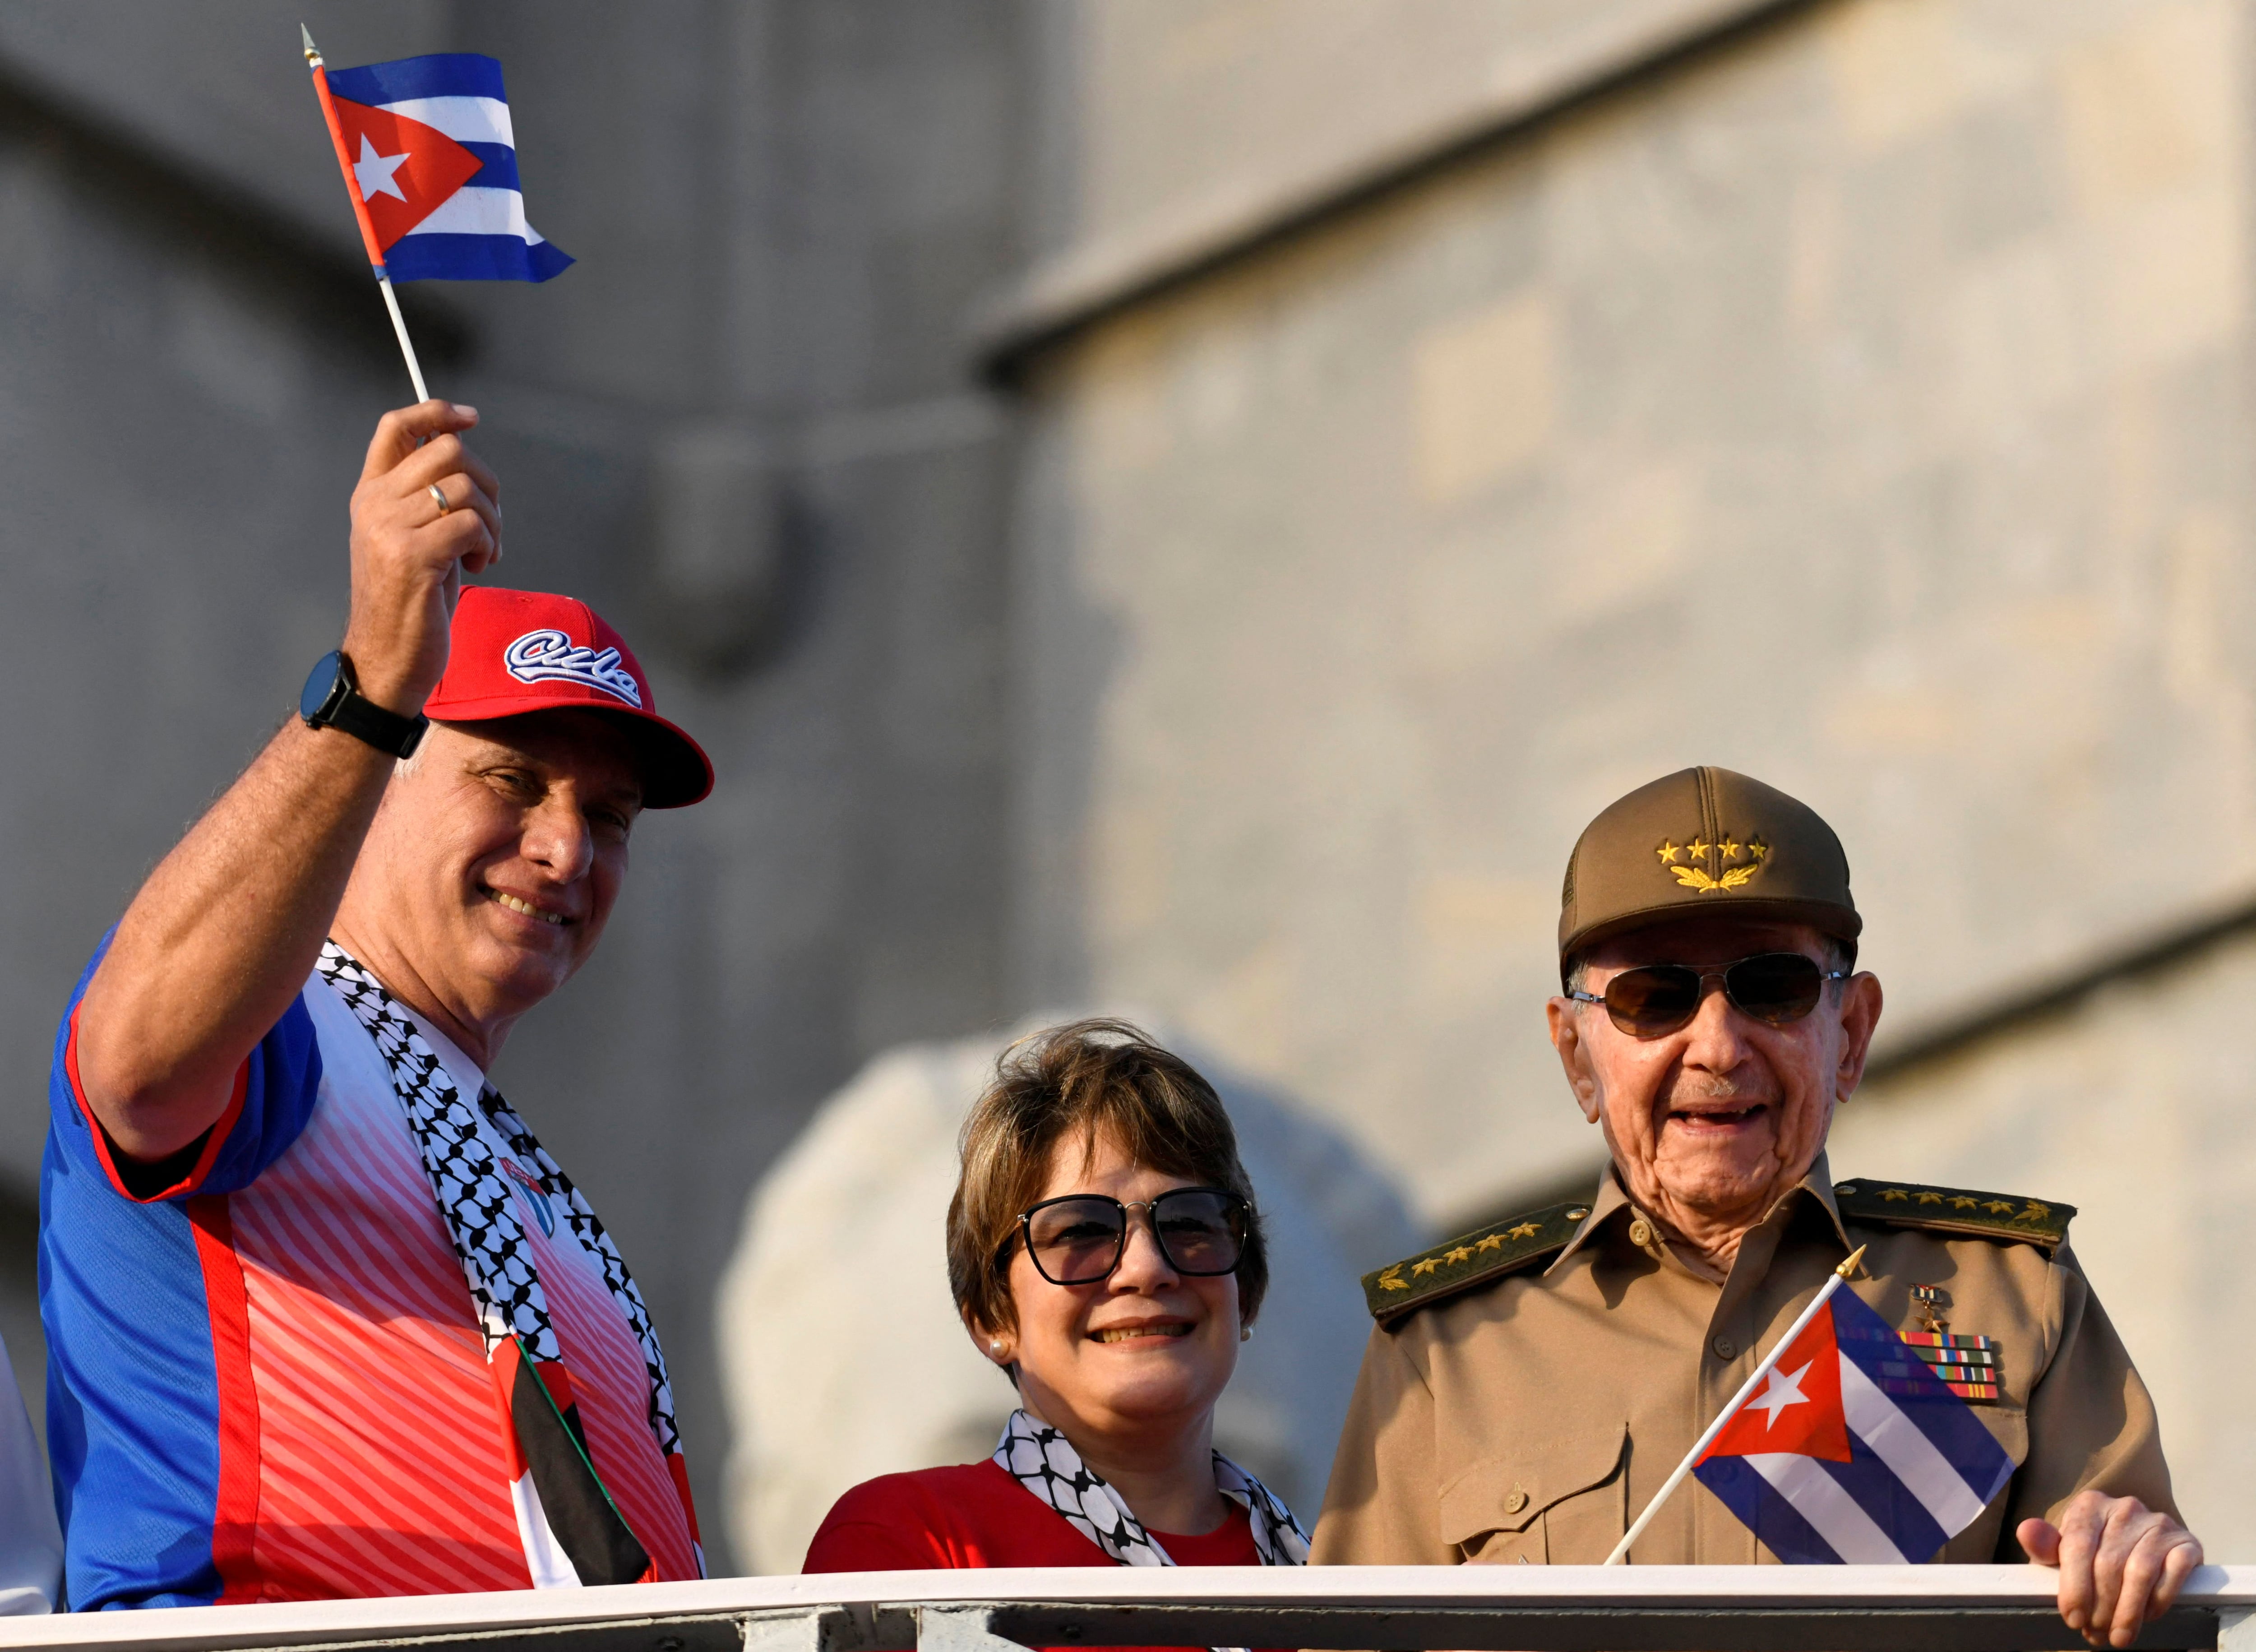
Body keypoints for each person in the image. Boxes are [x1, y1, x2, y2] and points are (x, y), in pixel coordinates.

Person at [43, 402, 713, 1608]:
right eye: (511, 780)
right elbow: (136, 1061)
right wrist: (369, 688)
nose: (564, 847)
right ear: (378, 785)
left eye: (608, 816)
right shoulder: (284, 1030)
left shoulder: (544, 1199)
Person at [1313, 767, 2199, 1649]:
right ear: (1577, 1057)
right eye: (1652, 999)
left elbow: (2143, 1625)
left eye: (1772, 988)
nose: (1717, 1044)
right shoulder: (1448, 1348)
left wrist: (2135, 1575)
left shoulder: (2007, 1296)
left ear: (1848, 1034)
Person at [803, 1019, 1308, 1583]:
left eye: (1189, 1221)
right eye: (1080, 1231)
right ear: (991, 1316)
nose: (1145, 1268)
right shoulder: (913, 1544)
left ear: (1247, 1294)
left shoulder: (1339, 1573)